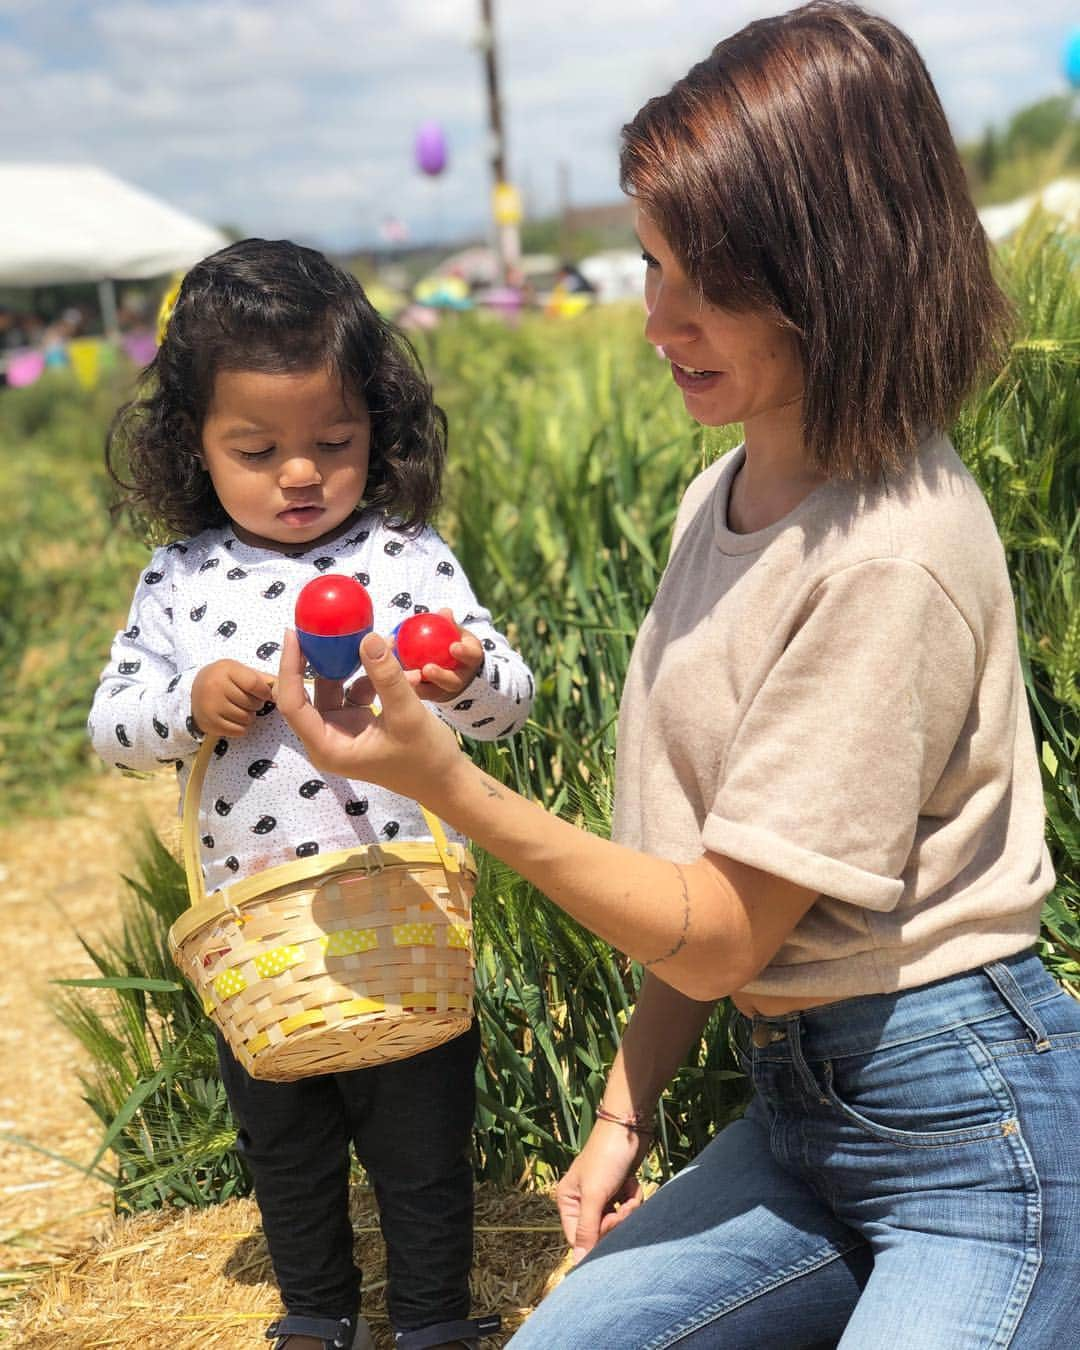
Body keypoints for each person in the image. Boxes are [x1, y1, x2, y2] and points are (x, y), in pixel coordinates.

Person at [272, 5, 1080, 1347]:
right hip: (800, 1118)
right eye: (650, 263)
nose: (660, 318)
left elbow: (721, 928)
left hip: (973, 1134)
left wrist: (445, 780)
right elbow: (720, 872)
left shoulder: (892, 548)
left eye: (707, 279)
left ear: (838, 268)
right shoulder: (726, 491)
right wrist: (625, 1107)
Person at [88, 239, 534, 1350]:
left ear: (378, 427)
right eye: (258, 448)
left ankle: (434, 1318)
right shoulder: (182, 578)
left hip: (407, 916)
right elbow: (112, 728)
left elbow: (508, 702)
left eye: (333, 443)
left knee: (426, 1144)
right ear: (194, 444)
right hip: (265, 939)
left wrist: (468, 676)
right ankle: (316, 1316)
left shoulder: (408, 555)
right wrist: (192, 701)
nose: (300, 473)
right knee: (283, 1143)